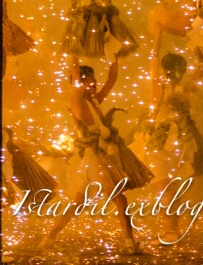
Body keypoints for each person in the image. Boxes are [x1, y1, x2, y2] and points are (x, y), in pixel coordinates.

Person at [39, 55, 153, 256]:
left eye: (94, 79)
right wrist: (74, 51)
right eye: (89, 79)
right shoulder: (77, 101)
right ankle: (129, 244)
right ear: (80, 82)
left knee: (78, 203)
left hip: (101, 159)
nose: (95, 83)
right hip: (95, 160)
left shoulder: (94, 101)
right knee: (119, 199)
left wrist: (115, 57)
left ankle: (48, 239)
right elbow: (75, 78)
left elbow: (111, 81)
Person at [144, 38, 203, 244]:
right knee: (171, 190)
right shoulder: (185, 91)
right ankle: (172, 232)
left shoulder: (158, 89)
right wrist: (198, 50)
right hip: (183, 144)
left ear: (164, 70)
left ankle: (170, 233)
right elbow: (201, 69)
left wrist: (157, 40)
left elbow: (153, 67)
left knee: (163, 190)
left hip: (162, 143)